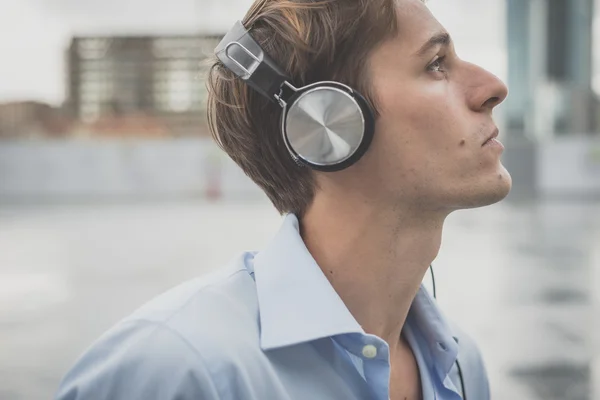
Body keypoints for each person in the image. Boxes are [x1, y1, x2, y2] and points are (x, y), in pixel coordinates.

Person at [55, 0, 510, 399]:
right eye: (436, 63)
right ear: (330, 122)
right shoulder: (172, 371)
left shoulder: (459, 364)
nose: (493, 87)